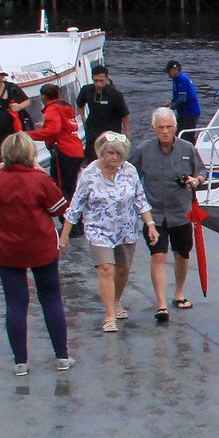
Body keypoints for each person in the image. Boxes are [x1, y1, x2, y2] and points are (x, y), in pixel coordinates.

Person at [0, 133, 73, 376]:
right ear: (31, 155)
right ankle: (62, 356)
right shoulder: (39, 179)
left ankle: (20, 361)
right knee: (51, 298)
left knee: (15, 303)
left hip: (6, 248)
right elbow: (58, 208)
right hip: (40, 247)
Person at [61, 131, 158, 333]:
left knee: (123, 269)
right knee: (106, 268)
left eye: (119, 154)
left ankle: (115, 300)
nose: (114, 157)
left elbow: (140, 199)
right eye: (111, 153)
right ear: (101, 153)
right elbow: (76, 205)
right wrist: (65, 235)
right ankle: (109, 315)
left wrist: (150, 224)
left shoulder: (129, 171)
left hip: (126, 228)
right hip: (98, 228)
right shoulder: (89, 174)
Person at [130, 108, 208, 322]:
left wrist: (196, 181)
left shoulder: (187, 148)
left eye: (169, 127)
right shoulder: (143, 150)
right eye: (161, 127)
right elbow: (130, 174)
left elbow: (202, 172)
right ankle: (161, 304)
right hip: (153, 214)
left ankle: (179, 293)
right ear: (153, 128)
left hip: (181, 212)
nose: (165, 131)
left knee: (182, 254)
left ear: (175, 127)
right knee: (158, 256)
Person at [33, 84, 86, 207]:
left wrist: (28, 134)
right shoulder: (65, 107)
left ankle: (66, 218)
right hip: (76, 149)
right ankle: (74, 218)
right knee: (71, 186)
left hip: (63, 151)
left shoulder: (52, 109)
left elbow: (53, 131)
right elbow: (66, 126)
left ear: (43, 96)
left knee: (60, 187)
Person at [76, 63, 130, 145]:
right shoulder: (86, 90)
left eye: (101, 81)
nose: (98, 84)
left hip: (111, 134)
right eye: (96, 81)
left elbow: (124, 115)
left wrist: (127, 133)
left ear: (107, 78)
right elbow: (80, 104)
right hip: (92, 131)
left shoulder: (115, 95)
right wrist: (83, 119)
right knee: (91, 155)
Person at [167, 60, 201, 134]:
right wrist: (172, 101)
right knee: (178, 134)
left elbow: (183, 98)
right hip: (183, 112)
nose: (168, 74)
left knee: (187, 136)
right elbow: (178, 96)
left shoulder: (181, 78)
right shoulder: (176, 79)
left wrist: (171, 108)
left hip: (190, 112)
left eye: (168, 71)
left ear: (174, 70)